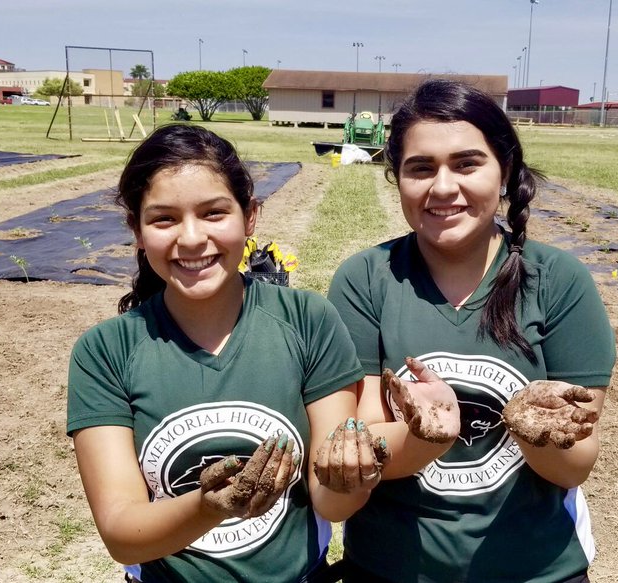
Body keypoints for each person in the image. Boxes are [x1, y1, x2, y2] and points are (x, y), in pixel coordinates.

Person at [327, 79, 617, 583]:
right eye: (420, 168)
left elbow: (573, 467)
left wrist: (535, 432)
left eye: (466, 163)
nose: (442, 187)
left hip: (536, 570)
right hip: (391, 570)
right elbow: (367, 443)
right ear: (396, 179)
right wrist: (427, 435)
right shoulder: (365, 280)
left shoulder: (559, 281)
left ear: (504, 171)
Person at [67, 124, 385, 582]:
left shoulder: (308, 320)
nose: (192, 238)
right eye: (163, 219)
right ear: (136, 230)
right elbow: (121, 533)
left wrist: (351, 475)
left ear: (250, 216)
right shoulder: (105, 352)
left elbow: (331, 503)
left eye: (214, 213)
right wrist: (209, 506)